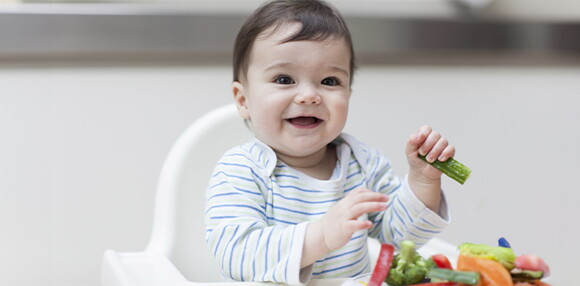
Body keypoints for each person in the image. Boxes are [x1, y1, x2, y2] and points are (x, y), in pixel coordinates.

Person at [205, 0, 455, 284]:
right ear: (243, 100)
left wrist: (423, 182)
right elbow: (237, 254)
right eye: (284, 79)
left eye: (329, 81)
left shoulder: (363, 164)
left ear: (348, 92)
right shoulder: (240, 171)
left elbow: (398, 238)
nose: (309, 96)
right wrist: (321, 235)